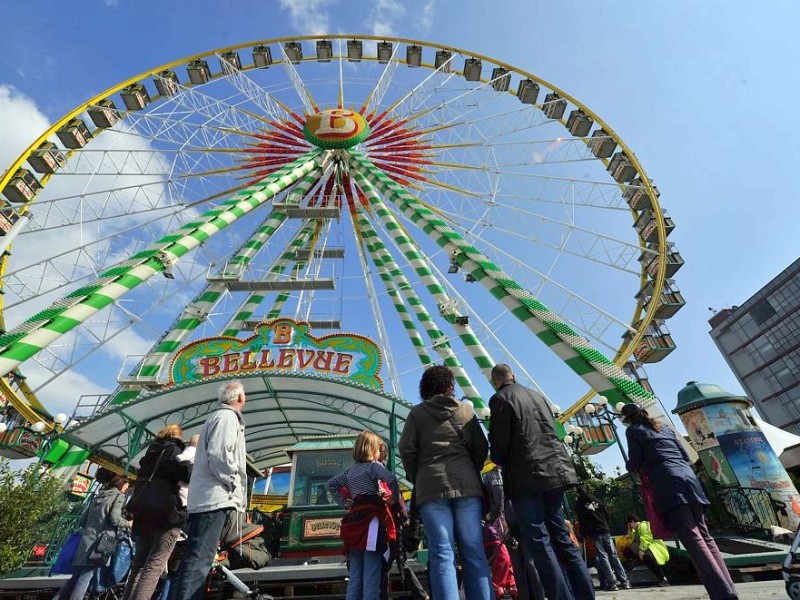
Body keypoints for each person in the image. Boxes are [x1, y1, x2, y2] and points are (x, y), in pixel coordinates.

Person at [488, 364, 593, 600]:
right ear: (513, 376)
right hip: (555, 472)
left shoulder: (500, 399)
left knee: (539, 542)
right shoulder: (538, 396)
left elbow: (499, 446)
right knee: (562, 538)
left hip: (527, 478)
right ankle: (586, 594)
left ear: (495, 382)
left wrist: (497, 456)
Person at [622, 403, 737, 600]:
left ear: (627, 419)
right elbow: (684, 455)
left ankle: (722, 595)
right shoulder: (664, 428)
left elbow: (635, 461)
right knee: (706, 536)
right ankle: (729, 590)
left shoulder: (634, 430)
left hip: (667, 482)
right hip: (689, 478)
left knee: (693, 539)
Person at [399, 365, 493, 600]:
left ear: (425, 388)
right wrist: (471, 469)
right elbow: (481, 447)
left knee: (442, 552)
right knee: (473, 550)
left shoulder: (417, 414)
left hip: (431, 487)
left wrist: (417, 476)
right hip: (467, 487)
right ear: (450, 386)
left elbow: (406, 449)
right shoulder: (465, 412)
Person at [174, 380, 248, 600]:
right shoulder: (227, 418)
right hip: (214, 498)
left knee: (197, 558)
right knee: (200, 559)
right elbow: (220, 455)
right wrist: (233, 482)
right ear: (240, 398)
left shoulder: (217, 417)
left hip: (207, 497)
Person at [326, 430, 401, 600]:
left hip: (353, 522)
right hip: (371, 524)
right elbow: (392, 480)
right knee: (371, 576)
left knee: (355, 578)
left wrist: (345, 503)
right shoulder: (374, 467)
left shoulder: (350, 472)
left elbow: (330, 485)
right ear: (373, 449)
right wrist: (392, 499)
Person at [122, 424, 192, 600]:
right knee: (154, 565)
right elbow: (186, 476)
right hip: (166, 512)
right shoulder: (174, 451)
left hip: (143, 511)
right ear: (178, 436)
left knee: (138, 564)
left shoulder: (150, 453)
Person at [55, 469, 130, 600]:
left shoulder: (99, 495)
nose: (126, 489)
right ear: (121, 485)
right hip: (100, 544)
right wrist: (129, 523)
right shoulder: (118, 496)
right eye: (127, 486)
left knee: (76, 577)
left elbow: (82, 520)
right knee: (85, 579)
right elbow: (115, 519)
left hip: (86, 541)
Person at [574, 487, 630, 591]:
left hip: (595, 532)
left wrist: (584, 533)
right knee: (614, 555)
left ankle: (612, 583)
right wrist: (606, 525)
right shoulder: (597, 500)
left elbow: (582, 521)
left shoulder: (580, 505)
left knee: (603, 557)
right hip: (605, 529)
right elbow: (606, 515)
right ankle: (625, 581)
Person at [625, 515, 670, 587]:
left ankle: (663, 579)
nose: (629, 526)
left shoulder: (642, 525)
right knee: (627, 550)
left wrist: (641, 550)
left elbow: (646, 538)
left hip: (651, 548)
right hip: (644, 549)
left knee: (649, 559)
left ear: (633, 521)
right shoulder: (635, 530)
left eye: (629, 524)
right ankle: (634, 563)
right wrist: (629, 530)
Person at [176, 434, 199, 509]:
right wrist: (179, 458)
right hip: (187, 476)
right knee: (184, 491)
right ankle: (184, 503)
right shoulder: (192, 449)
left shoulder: (193, 450)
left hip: (186, 477)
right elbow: (185, 456)